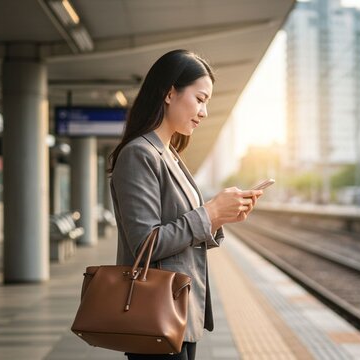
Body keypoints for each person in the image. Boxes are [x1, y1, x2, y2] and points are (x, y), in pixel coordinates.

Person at [108, 49, 263, 360]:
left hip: (179, 312)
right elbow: (146, 243)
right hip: (154, 313)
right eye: (200, 98)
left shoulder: (171, 156)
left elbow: (184, 226)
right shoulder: (140, 154)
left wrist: (220, 217)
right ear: (169, 93)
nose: (204, 111)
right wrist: (210, 212)